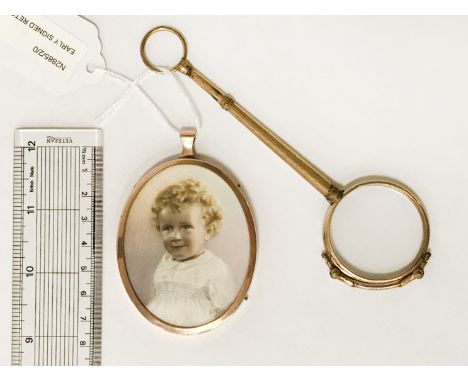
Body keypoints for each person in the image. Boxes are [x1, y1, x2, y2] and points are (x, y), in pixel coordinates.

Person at [146, 179, 236, 327]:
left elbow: (227, 313)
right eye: (168, 228)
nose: (175, 236)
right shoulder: (165, 262)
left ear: (208, 230)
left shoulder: (215, 269)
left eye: (186, 227)